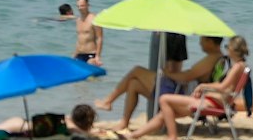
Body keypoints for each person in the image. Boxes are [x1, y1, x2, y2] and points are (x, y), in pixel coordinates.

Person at [118, 36, 249, 140]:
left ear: (234, 50)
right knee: (165, 113)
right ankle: (134, 135)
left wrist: (203, 86)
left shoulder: (237, 67)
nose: (226, 50)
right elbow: (225, 88)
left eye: (228, 47)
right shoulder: (241, 66)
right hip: (216, 100)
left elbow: (222, 86)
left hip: (213, 102)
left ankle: (172, 137)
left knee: (164, 99)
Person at [94, 36, 224, 126]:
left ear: (211, 42)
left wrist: (168, 73)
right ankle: (124, 122)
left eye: (202, 40)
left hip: (180, 92)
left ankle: (108, 101)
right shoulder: (217, 57)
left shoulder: (212, 58)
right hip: (182, 88)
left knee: (137, 70)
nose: (200, 43)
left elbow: (187, 76)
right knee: (134, 84)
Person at [72, 0, 102, 65]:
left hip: (91, 55)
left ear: (88, 5)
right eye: (78, 6)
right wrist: (74, 55)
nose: (80, 8)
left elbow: (99, 38)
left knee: (90, 75)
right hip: (79, 55)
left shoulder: (94, 19)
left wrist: (97, 56)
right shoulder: (78, 20)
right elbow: (79, 39)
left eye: (82, 6)